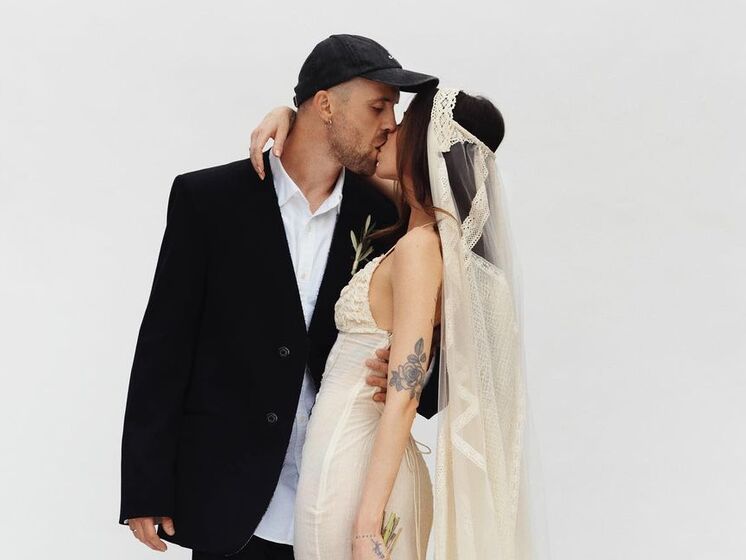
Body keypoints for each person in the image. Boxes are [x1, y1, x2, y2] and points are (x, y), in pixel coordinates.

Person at [118, 34, 442, 560]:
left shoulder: (385, 215)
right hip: (231, 498)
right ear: (326, 104)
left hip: (341, 495)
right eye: (378, 106)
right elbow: (165, 345)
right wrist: (145, 485)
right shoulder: (209, 201)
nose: (391, 123)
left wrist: (417, 376)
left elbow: (446, 315)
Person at [249, 86, 547, 559]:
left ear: (428, 147)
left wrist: (367, 525)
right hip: (345, 467)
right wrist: (293, 115)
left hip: (356, 478)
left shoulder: (420, 249)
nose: (388, 129)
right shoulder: (425, 233)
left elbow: (404, 396)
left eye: (403, 124)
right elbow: (349, 158)